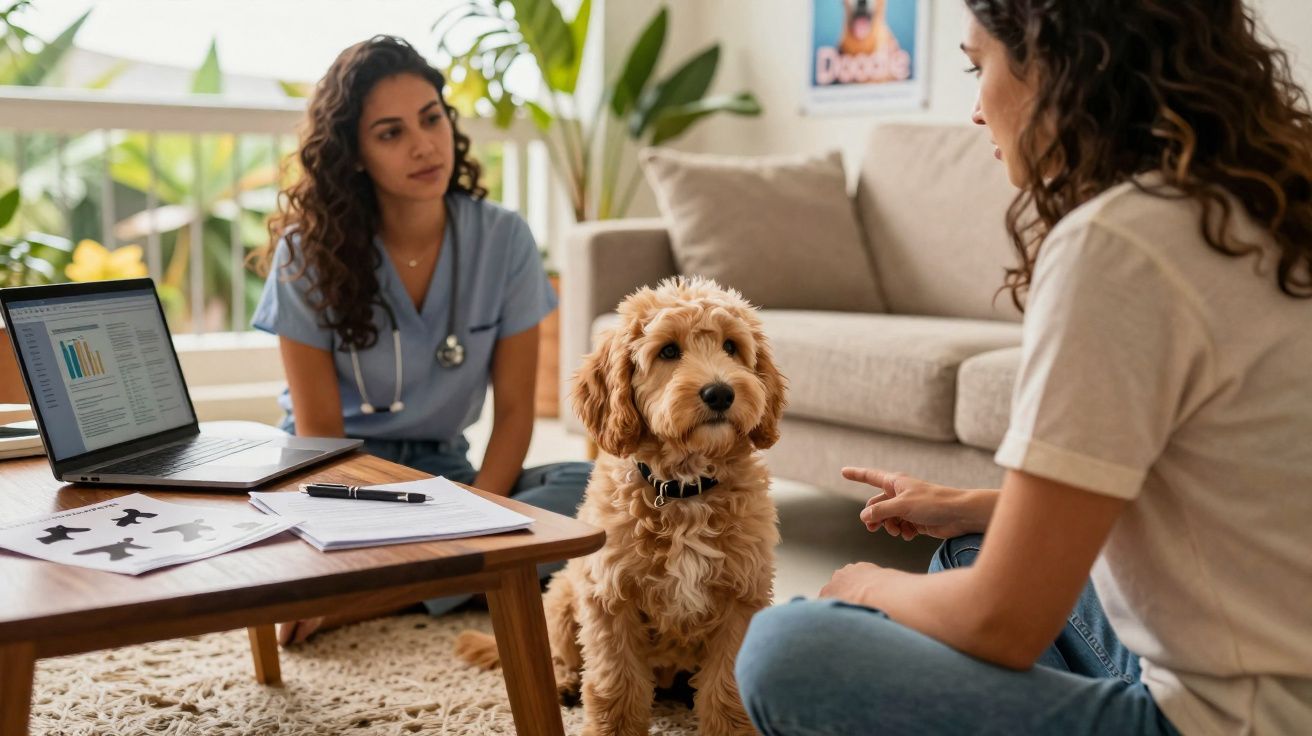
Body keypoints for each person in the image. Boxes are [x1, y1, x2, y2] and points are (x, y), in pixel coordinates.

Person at [735, 2, 1312, 734]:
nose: (975, 111)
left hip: (1229, 719)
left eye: (980, 68)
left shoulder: (1124, 243)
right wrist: (971, 504)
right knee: (971, 548)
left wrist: (868, 586)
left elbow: (999, 622)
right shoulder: (1267, 201)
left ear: (1062, 64)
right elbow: (1219, 499)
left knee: (788, 649)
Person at [251, 36, 591, 644]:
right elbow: (318, 435)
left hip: (446, 477)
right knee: (269, 534)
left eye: (431, 118)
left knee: (594, 493)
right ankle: (462, 578)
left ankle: (374, 597)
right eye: (390, 133)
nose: (423, 145)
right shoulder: (306, 255)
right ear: (355, 155)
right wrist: (458, 537)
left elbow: (515, 415)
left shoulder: (504, 240)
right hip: (339, 480)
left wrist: (476, 516)